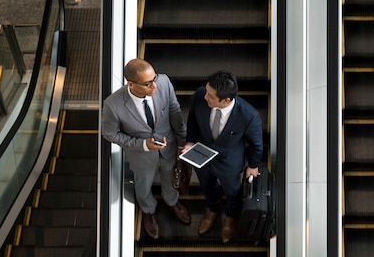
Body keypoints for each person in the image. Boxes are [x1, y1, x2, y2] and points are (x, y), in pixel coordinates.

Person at [102, 58, 191, 239]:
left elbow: (174, 111)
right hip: (141, 156)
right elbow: (110, 134)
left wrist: (182, 142)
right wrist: (142, 144)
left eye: (154, 79)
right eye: (148, 83)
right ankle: (149, 211)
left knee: (169, 176)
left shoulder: (163, 82)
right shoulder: (113, 104)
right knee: (143, 185)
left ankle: (172, 201)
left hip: (169, 148)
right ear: (131, 84)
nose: (154, 87)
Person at [184, 70, 263, 243]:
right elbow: (192, 118)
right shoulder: (199, 96)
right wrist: (190, 141)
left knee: (233, 191)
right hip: (202, 154)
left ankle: (230, 216)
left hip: (229, 162)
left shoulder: (249, 116)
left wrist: (253, 165)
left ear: (226, 100)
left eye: (210, 96)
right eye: (206, 92)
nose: (205, 97)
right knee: (206, 185)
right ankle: (212, 208)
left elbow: (256, 144)